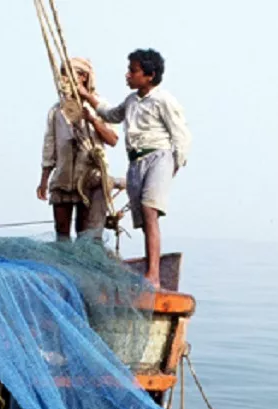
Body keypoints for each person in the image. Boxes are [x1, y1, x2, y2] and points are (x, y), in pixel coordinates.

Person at [80, 49, 191, 287]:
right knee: (142, 218)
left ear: (149, 75)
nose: (127, 75)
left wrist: (173, 166)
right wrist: (88, 99)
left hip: (158, 157)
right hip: (135, 162)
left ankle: (153, 275)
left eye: (133, 71)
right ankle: (151, 269)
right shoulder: (131, 101)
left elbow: (181, 136)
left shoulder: (163, 100)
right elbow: (111, 114)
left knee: (150, 212)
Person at [37, 58, 119, 242]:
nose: (63, 79)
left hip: (90, 178)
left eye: (68, 74)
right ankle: (64, 266)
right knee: (62, 232)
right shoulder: (57, 110)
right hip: (63, 178)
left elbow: (112, 139)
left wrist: (92, 119)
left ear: (83, 77)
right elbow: (49, 147)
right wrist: (44, 180)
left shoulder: (99, 106)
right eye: (62, 75)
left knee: (85, 232)